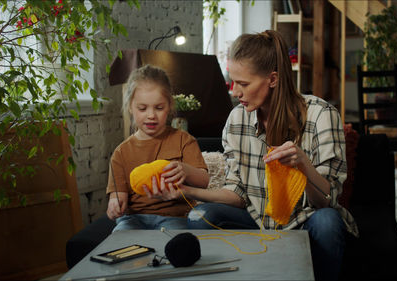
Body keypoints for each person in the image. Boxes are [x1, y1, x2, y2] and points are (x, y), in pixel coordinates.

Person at [154, 30, 358, 281]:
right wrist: (188, 192)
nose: (234, 91)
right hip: (256, 219)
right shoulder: (236, 119)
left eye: (243, 84)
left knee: (328, 223)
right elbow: (237, 193)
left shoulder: (321, 115)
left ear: (272, 79)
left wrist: (304, 164)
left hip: (307, 219)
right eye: (232, 81)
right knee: (201, 216)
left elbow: (328, 201)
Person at [105, 64, 209, 232]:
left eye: (159, 108)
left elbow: (204, 181)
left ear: (169, 106)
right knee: (120, 236)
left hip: (174, 218)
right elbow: (118, 195)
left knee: (174, 242)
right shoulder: (121, 153)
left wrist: (186, 170)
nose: (151, 115)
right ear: (130, 107)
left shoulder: (184, 140)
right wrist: (115, 204)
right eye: (142, 108)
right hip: (133, 218)